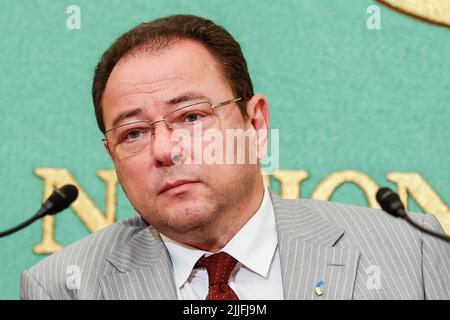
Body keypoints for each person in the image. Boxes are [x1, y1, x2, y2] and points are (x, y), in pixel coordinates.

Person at [21, 14, 449, 300]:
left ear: (256, 124)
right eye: (133, 132)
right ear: (112, 155)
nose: (165, 149)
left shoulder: (414, 252)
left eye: (190, 117)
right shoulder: (61, 287)